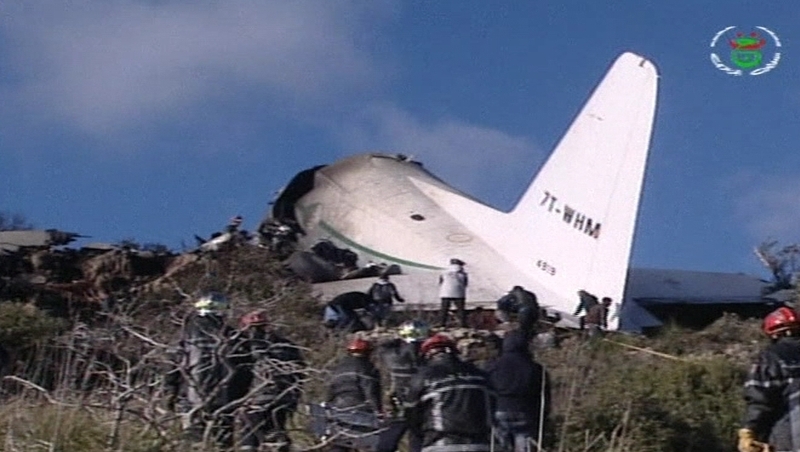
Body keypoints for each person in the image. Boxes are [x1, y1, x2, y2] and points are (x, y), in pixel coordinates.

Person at [166, 292, 245, 447]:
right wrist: (240, 396)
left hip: (190, 396)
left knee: (193, 441)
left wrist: (169, 389)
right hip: (224, 398)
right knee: (222, 442)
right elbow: (243, 369)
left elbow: (173, 363)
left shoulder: (185, 331)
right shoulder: (232, 334)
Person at [404, 333, 493, 452]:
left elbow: (411, 415)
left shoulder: (423, 377)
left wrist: (420, 435)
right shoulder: (480, 375)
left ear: (428, 355)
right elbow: (493, 405)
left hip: (440, 443)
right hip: (480, 443)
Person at [236, 310, 306, 452]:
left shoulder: (242, 345)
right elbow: (300, 371)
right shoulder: (285, 344)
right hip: (284, 397)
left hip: (254, 400)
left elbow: (237, 374)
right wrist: (294, 396)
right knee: (276, 433)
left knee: (249, 438)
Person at [738, 306, 800, 452]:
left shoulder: (770, 357)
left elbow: (760, 399)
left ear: (772, 334)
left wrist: (749, 431)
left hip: (790, 436)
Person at [486, 329, 550, 452]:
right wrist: (543, 419)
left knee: (500, 446)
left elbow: (486, 390)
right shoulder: (535, 368)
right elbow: (544, 396)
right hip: (525, 412)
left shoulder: (493, 366)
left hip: (499, 410)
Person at [375, 320, 430, 452]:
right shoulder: (426, 356)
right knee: (417, 440)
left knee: (387, 443)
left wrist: (395, 339)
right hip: (420, 404)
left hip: (397, 403)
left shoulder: (392, 354)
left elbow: (382, 347)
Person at [326, 337, 383, 452]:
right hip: (360, 408)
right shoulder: (368, 368)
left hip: (338, 408)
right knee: (363, 443)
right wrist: (378, 411)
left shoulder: (339, 367)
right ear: (368, 352)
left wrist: (328, 406)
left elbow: (331, 389)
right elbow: (371, 391)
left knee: (339, 442)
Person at [438, 258, 469, 328]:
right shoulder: (463, 274)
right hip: (459, 292)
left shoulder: (444, 272)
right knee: (460, 309)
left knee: (444, 309)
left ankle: (441, 323)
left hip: (445, 292)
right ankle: (462, 324)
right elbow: (465, 284)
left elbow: (440, 282)